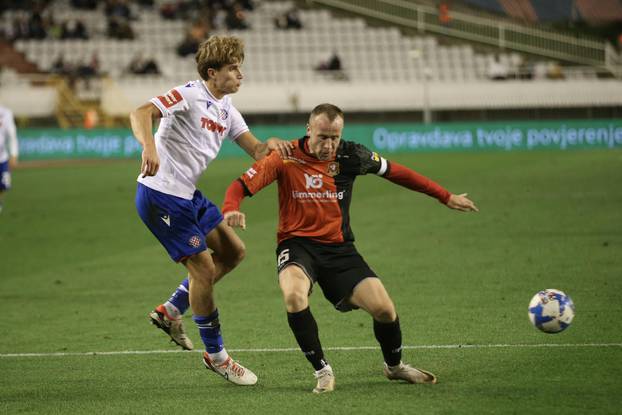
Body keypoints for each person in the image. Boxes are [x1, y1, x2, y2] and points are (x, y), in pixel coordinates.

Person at [220, 103, 478, 393]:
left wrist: (445, 196)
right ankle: (323, 371)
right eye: (322, 136)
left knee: (384, 309)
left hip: (340, 249)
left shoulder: (352, 155)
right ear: (308, 130)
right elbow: (240, 186)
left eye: (334, 137)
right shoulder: (285, 156)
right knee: (294, 295)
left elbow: (397, 172)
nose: (329, 144)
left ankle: (394, 367)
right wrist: (231, 208)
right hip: (297, 245)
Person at [130, 35, 292, 386]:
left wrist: (275, 148)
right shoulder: (189, 94)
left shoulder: (227, 110)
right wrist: (149, 147)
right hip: (161, 194)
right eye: (234, 69)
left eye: (240, 68)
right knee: (203, 268)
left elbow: (257, 151)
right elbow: (141, 112)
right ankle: (217, 356)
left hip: (188, 195)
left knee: (233, 252)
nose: (240, 75)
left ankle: (171, 310)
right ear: (212, 72)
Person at [0, 105, 19, 214]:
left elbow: (12, 135)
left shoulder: (5, 113)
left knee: (4, 185)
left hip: (2, 157)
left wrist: (14, 154)